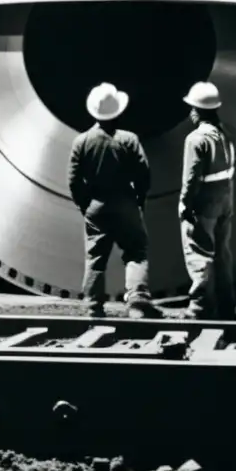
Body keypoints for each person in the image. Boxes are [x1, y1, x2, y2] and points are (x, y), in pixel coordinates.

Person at [68, 83, 161, 319]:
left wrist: (84, 205)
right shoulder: (129, 139)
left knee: (96, 258)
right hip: (125, 203)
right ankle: (137, 301)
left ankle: (93, 308)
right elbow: (143, 174)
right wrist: (139, 199)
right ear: (118, 112)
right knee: (136, 251)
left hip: (96, 206)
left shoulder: (82, 142)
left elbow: (74, 180)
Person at [179, 81, 236, 320]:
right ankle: (226, 306)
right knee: (222, 254)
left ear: (199, 110)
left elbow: (191, 178)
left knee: (199, 251)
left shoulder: (196, 139)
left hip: (204, 203)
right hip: (225, 200)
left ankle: (200, 308)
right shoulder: (225, 135)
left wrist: (185, 204)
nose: (190, 111)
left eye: (193, 107)